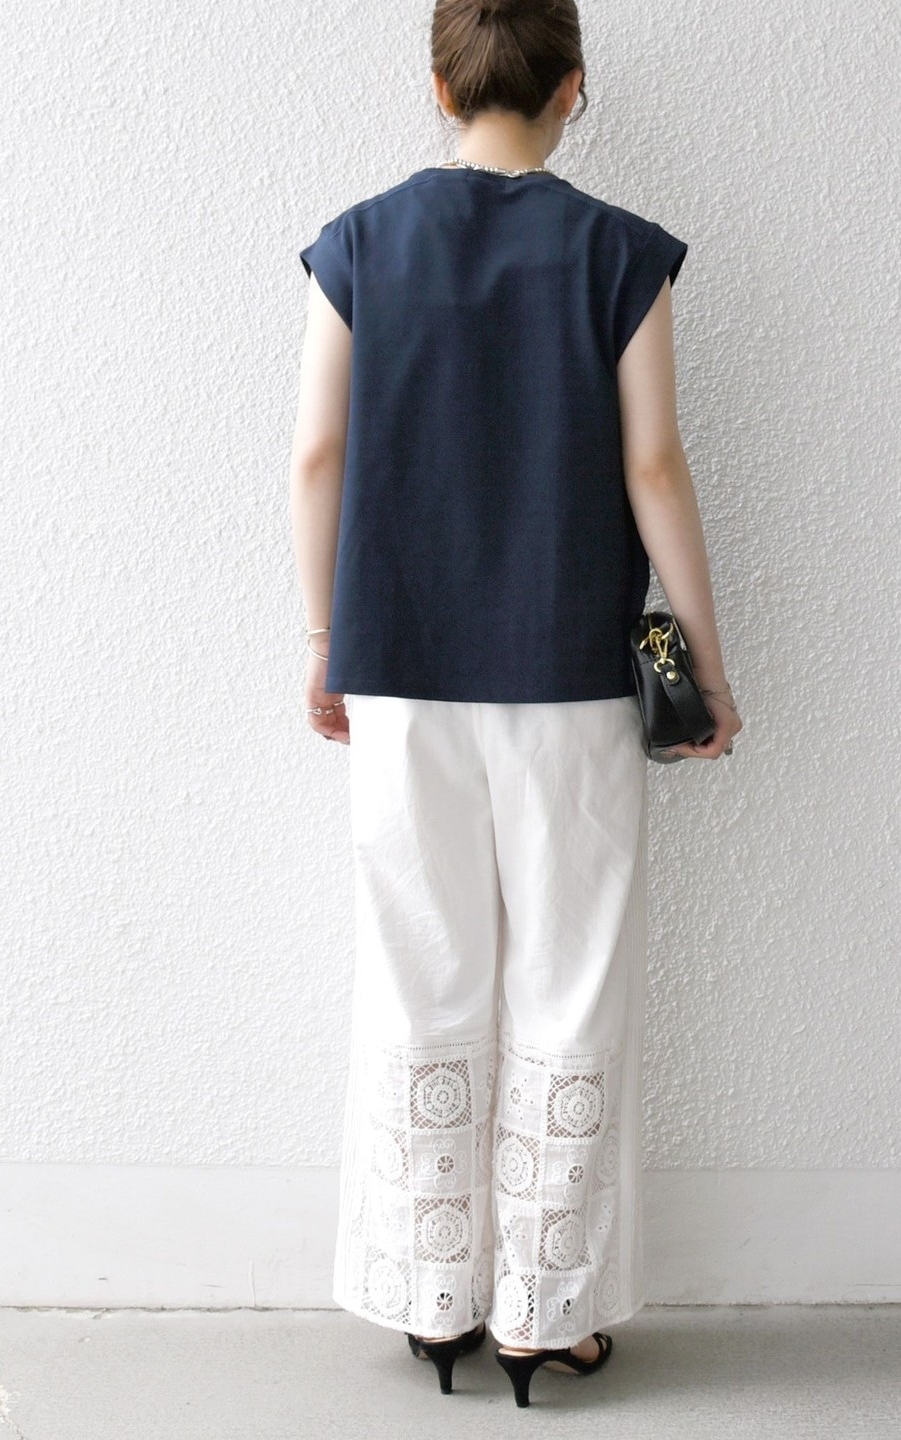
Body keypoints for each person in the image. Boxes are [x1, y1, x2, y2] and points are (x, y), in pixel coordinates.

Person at [288, 0, 742, 1408]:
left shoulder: (360, 245)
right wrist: (705, 662)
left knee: (418, 967)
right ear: (574, 88)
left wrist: (326, 640)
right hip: (569, 675)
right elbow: (653, 468)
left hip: (401, 675)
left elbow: (316, 456)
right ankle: (546, 1314)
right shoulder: (620, 254)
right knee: (570, 977)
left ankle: (432, 1299)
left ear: (440, 86)